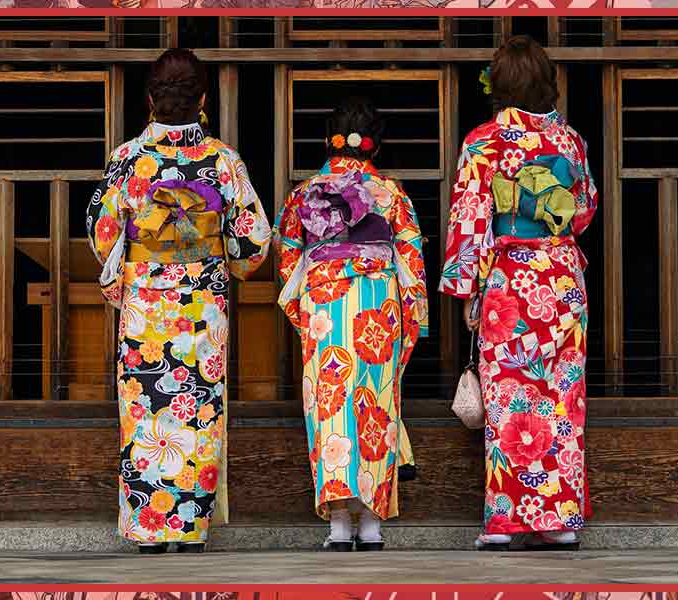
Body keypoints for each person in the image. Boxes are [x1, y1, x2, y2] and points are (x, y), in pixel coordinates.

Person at [86, 48, 271, 554]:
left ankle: (149, 528)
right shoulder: (222, 161)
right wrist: (224, 255)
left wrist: (122, 274)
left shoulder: (128, 159)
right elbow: (252, 242)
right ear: (203, 99)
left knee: (146, 411)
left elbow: (103, 232)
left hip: (147, 301)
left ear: (150, 99)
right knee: (198, 411)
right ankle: (190, 528)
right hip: (201, 302)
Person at [439, 35, 598, 551]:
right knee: (561, 397)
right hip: (561, 276)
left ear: (498, 85)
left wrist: (466, 287)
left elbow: (469, 217)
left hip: (510, 278)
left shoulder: (483, 142)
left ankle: (507, 520)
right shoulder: (570, 141)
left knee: (510, 396)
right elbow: (585, 209)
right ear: (547, 82)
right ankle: (558, 520)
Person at [275, 97, 429, 551]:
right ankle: (373, 524)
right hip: (379, 303)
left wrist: (303, 314)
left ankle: (339, 525)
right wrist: (410, 319)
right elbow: (413, 261)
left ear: (329, 141)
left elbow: (288, 259)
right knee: (376, 404)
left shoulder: (304, 194)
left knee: (330, 405)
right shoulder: (392, 194)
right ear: (374, 147)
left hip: (325, 303)